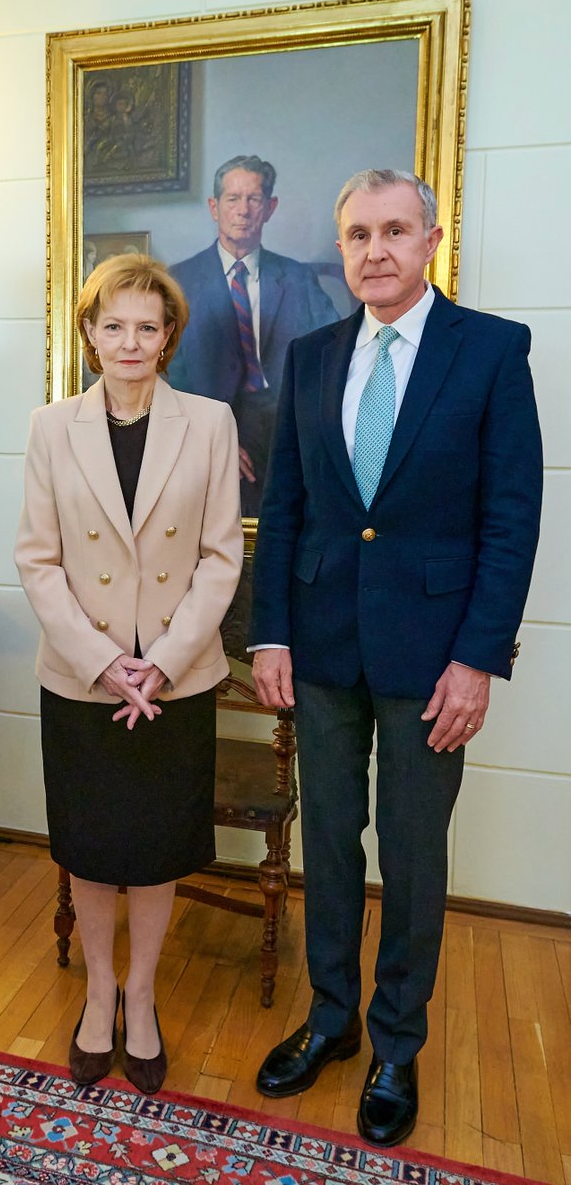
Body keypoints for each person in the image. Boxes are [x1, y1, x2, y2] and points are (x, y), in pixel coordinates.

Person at [249, 169, 542, 1146]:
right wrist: (270, 631)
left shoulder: (491, 352)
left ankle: (394, 1044)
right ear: (338, 248)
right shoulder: (309, 357)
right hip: (322, 645)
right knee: (326, 844)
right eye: (354, 235)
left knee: (410, 856)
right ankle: (328, 1019)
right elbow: (284, 506)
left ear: (429, 239)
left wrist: (477, 660)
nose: (372, 250)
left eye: (392, 231)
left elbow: (509, 521)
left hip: (432, 660)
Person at [14, 254, 242, 1094]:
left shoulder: (210, 423)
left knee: (154, 849)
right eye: (113, 325)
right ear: (89, 334)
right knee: (93, 845)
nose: (130, 341)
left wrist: (162, 662)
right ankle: (98, 992)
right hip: (82, 681)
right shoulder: (50, 428)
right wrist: (107, 661)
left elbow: (222, 559)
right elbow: (38, 562)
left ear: (169, 335)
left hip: (175, 684)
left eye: (148, 326)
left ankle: (140, 996)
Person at [167, 154, 338, 512]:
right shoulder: (178, 281)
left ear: (270, 208)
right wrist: (209, 437)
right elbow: (164, 375)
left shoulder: (297, 279)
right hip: (205, 426)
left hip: (284, 425)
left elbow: (332, 358)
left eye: (254, 199)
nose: (243, 210)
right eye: (232, 199)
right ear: (214, 207)